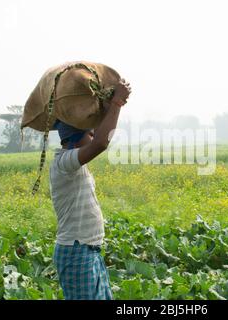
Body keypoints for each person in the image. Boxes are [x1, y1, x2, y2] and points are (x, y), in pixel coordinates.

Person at [49, 78, 131, 300]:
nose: (93, 136)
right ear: (76, 141)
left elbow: (99, 134)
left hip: (88, 250)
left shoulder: (73, 162)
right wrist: (117, 103)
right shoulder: (64, 163)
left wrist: (107, 104)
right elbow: (101, 143)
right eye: (89, 134)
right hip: (76, 252)